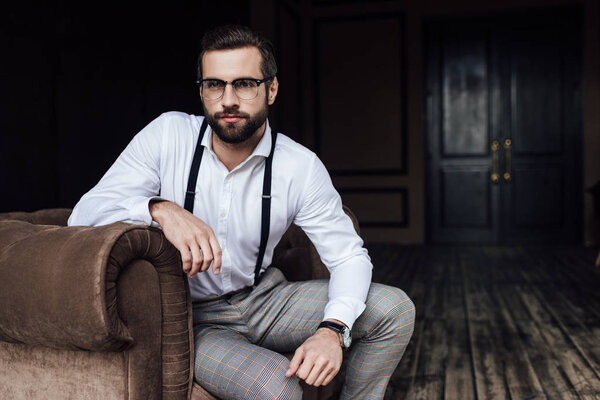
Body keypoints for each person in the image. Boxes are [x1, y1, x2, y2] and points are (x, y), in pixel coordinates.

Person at [68, 24, 415, 400]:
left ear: (272, 89)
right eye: (214, 85)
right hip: (194, 319)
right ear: (202, 90)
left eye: (245, 84)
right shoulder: (167, 136)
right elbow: (84, 214)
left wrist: (332, 330)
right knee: (278, 390)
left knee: (394, 310)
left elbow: (349, 256)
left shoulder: (299, 166)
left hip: (265, 298)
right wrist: (161, 210)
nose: (228, 100)